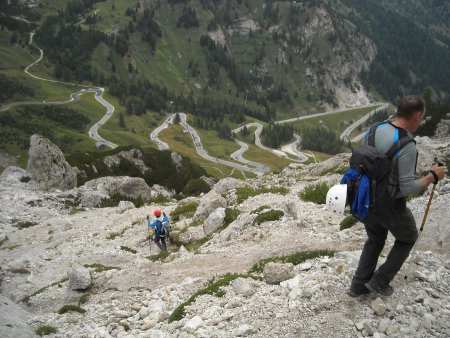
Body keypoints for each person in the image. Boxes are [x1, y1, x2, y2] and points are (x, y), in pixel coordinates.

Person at [348, 95, 447, 297]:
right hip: (391, 205)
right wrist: (431, 177)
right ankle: (380, 281)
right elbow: (405, 187)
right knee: (408, 237)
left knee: (375, 238)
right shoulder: (407, 145)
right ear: (418, 116)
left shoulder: (373, 130)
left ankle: (358, 286)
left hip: (366, 197)